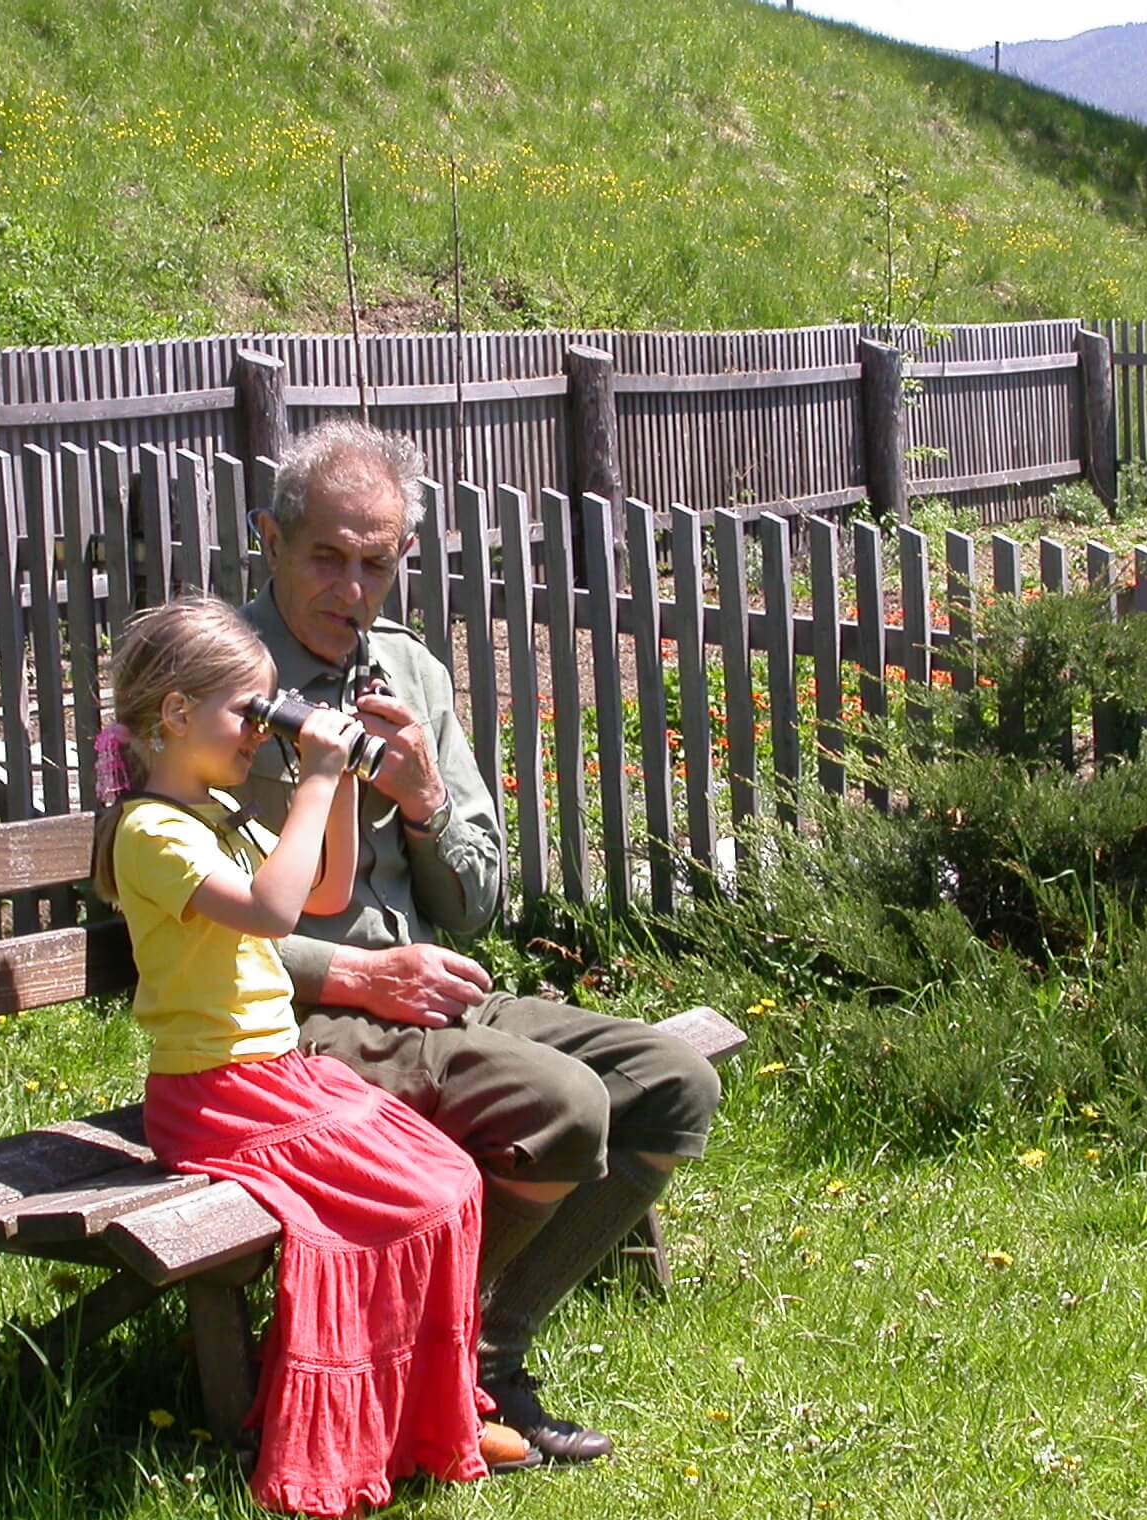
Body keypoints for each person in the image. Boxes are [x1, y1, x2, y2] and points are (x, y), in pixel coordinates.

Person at [236, 420, 724, 1463]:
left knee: (673, 1078)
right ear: (270, 539)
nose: (351, 586)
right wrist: (356, 970)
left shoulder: (411, 674)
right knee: (569, 1104)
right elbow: (161, 927)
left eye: (377, 562)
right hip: (290, 1019)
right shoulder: (218, 682)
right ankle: (449, 1363)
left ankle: (479, 1354)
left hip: (431, 984)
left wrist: (421, 805)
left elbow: (475, 906)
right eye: (327, 554)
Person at [89, 596, 526, 1519]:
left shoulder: (214, 812)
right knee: (415, 1198)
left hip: (271, 1076)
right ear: (173, 714)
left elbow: (322, 890)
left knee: (448, 1179)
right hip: (215, 1092)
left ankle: (423, 1408)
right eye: (248, 714)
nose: (260, 733)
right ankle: (360, 1423)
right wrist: (318, 777)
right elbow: (271, 913)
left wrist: (341, 785)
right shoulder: (152, 832)